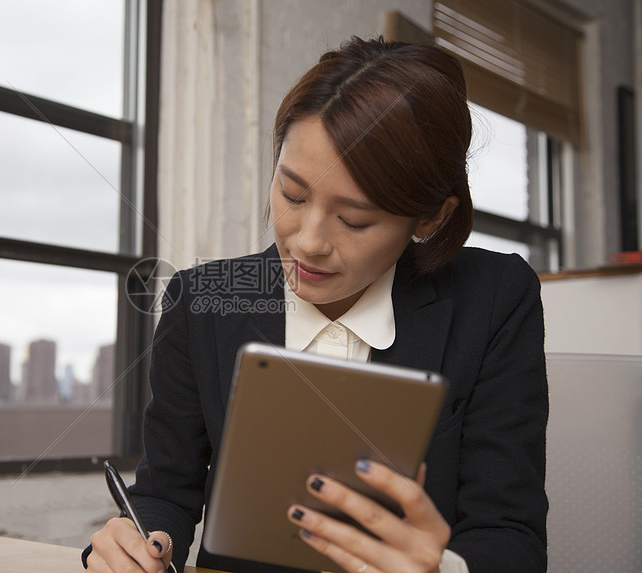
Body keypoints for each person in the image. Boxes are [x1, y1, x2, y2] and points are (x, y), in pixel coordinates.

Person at [83, 36, 548, 573]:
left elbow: (510, 536)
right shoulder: (200, 302)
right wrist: (136, 543)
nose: (307, 241)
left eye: (354, 219)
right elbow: (167, 491)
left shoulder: (494, 299)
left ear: (430, 218)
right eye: (292, 194)